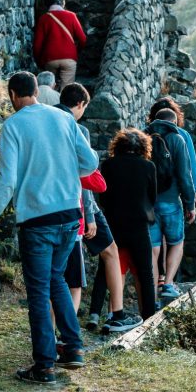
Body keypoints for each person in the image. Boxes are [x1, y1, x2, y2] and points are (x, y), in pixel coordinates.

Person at [0, 71, 98, 385]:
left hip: (37, 220)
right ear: (35, 90)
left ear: (15, 95)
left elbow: (6, 182)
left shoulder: (14, 126)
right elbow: (90, 163)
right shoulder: (63, 119)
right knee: (56, 278)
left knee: (38, 291)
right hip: (70, 215)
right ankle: (73, 348)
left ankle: (44, 366)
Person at [57, 83, 143, 332]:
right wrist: (90, 212)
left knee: (59, 275)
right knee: (110, 252)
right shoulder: (77, 128)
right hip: (80, 207)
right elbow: (84, 173)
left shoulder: (48, 119)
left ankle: (61, 325)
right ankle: (116, 314)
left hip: (51, 206)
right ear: (81, 104)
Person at [99, 128, 158, 320]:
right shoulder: (148, 167)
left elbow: (103, 196)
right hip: (139, 224)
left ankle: (113, 313)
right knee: (145, 273)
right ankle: (148, 316)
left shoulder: (108, 165)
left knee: (112, 267)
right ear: (143, 147)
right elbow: (152, 197)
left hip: (114, 223)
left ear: (118, 145)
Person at [148, 97, 196, 288]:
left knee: (153, 248)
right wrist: (192, 198)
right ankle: (169, 284)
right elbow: (187, 171)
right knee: (176, 242)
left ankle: (152, 291)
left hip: (148, 204)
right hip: (171, 200)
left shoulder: (143, 136)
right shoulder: (180, 136)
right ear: (175, 119)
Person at [33, 0, 86, 90]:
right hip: (69, 58)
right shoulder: (71, 16)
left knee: (48, 88)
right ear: (62, 0)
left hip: (49, 58)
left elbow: (37, 45)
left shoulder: (44, 19)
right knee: (66, 91)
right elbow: (83, 39)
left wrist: (39, 61)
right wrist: (75, 52)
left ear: (46, 1)